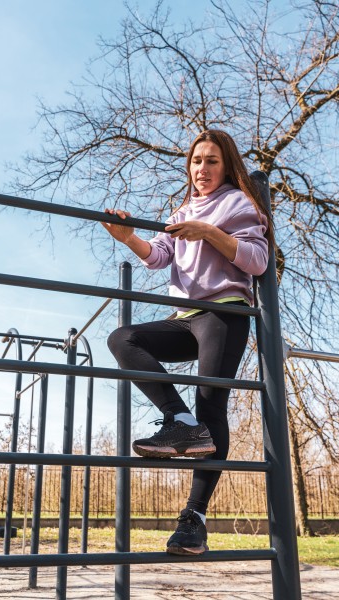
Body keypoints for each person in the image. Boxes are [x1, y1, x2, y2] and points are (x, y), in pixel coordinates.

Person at [102, 129, 272, 555]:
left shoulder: (239, 203)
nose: (202, 169)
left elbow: (257, 260)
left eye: (212, 161)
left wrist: (209, 232)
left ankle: (193, 520)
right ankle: (180, 421)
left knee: (211, 406)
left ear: (226, 166)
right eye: (196, 161)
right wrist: (129, 238)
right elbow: (160, 255)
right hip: (185, 316)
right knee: (124, 338)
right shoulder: (182, 209)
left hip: (224, 312)